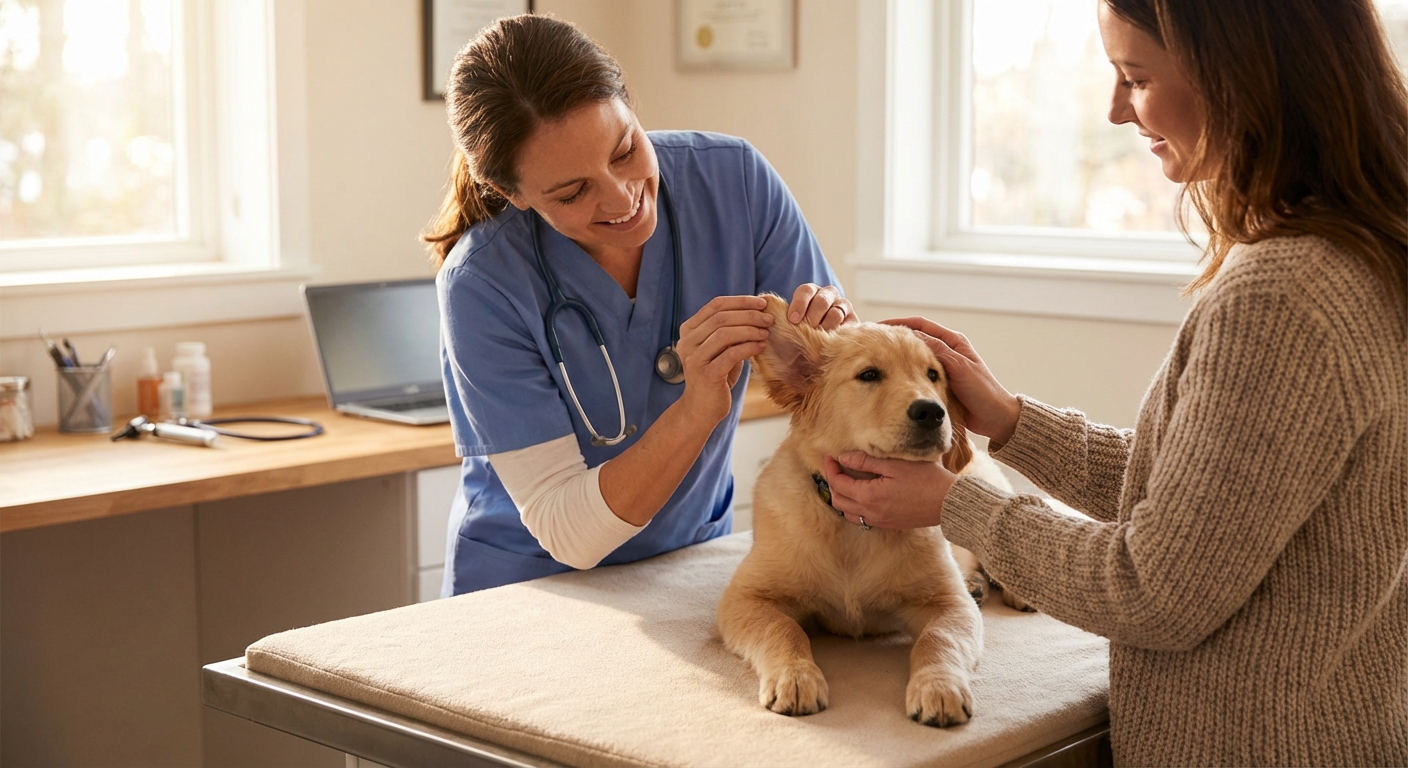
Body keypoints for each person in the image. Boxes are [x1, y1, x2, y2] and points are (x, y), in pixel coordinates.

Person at [821, 0, 1407, 765]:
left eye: (1135, 77)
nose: (1113, 109)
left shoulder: (1279, 297)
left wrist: (957, 504)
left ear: (1240, 72)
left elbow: (1155, 592)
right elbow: (1211, 505)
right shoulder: (1363, 254)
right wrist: (1012, 422)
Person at [423, 14, 853, 596]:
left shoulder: (735, 183)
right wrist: (697, 406)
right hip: (531, 589)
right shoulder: (482, 283)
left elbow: (837, 391)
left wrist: (835, 340)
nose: (623, 197)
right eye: (572, 192)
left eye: (625, 150)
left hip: (688, 560)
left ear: (629, 105)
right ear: (513, 194)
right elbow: (567, 531)